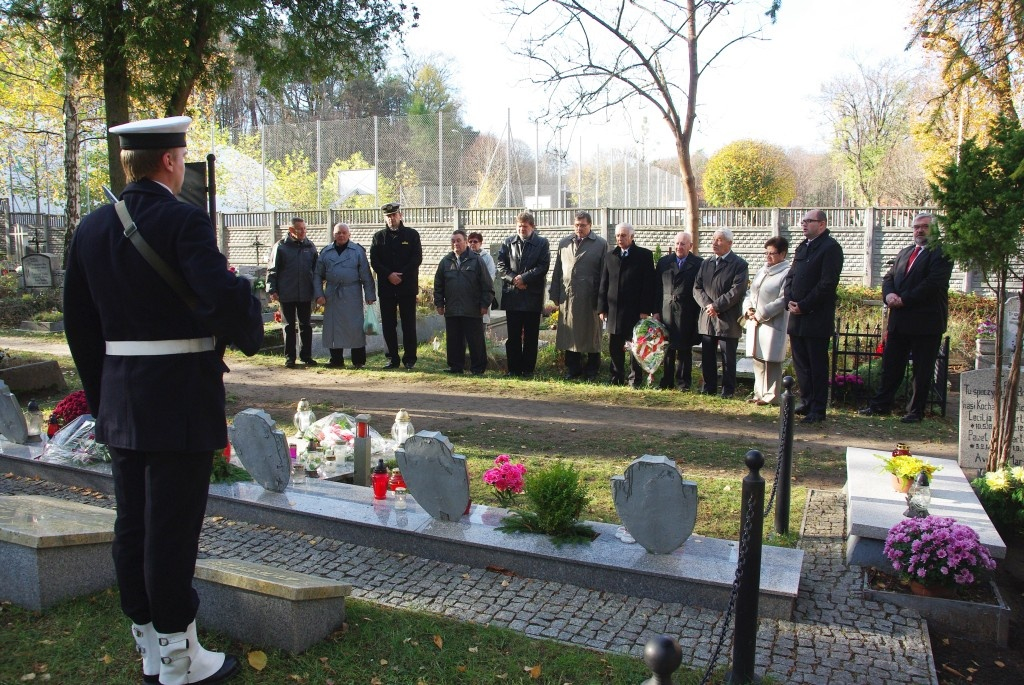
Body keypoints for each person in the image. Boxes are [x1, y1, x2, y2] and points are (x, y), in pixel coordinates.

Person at [64, 116, 261, 685]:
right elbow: (219, 294)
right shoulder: (183, 221)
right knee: (172, 527)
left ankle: (150, 645)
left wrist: (105, 399)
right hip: (179, 395)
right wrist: (247, 303)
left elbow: (79, 326)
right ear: (171, 162)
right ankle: (180, 657)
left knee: (134, 524)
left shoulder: (92, 228)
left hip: (123, 399)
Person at [860, 213, 953, 423]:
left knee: (922, 370)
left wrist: (904, 299)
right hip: (899, 320)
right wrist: (889, 295)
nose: (919, 231)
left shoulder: (941, 253)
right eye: (916, 227)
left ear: (935, 230)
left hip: (925, 322)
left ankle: (915, 411)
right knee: (891, 366)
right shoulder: (905, 252)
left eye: (925, 227)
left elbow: (932, 284)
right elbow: (889, 277)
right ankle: (881, 405)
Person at [785, 209, 844, 424]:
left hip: (815, 317)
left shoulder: (830, 248)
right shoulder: (802, 247)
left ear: (822, 224)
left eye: (809, 221)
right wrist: (789, 301)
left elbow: (827, 284)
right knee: (801, 365)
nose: (804, 224)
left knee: (817, 365)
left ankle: (818, 408)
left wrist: (804, 305)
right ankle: (807, 401)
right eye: (803, 221)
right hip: (797, 316)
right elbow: (791, 277)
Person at [549, 211, 608, 381]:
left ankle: (592, 370)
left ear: (590, 225)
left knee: (591, 335)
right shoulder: (564, 243)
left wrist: (602, 299)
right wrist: (554, 293)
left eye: (582, 225)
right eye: (576, 225)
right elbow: (558, 270)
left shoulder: (600, 244)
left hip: (590, 297)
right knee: (570, 334)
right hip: (568, 296)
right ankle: (573, 369)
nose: (579, 228)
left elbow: (605, 273)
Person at [598, 223, 657, 388]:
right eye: (617, 236)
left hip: (635, 311)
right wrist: (602, 307)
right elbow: (604, 282)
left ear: (632, 237)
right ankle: (616, 376)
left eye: (623, 235)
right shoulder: (611, 256)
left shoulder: (644, 255)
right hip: (614, 310)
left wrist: (645, 309)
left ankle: (634, 379)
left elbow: (648, 285)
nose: (619, 239)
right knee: (615, 346)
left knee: (634, 346)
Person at [693, 229, 748, 398]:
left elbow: (736, 291)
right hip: (708, 317)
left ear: (730, 243)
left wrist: (716, 306)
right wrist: (707, 305)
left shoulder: (739, 264)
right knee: (708, 355)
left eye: (719, 240)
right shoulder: (706, 262)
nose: (715, 243)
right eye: (713, 239)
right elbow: (697, 287)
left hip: (727, 318)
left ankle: (727, 390)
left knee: (728, 358)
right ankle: (709, 388)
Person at [495, 212, 551, 377]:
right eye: (519, 226)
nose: (521, 229)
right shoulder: (508, 242)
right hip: (513, 296)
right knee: (513, 336)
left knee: (531, 337)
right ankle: (513, 369)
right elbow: (501, 265)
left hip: (532, 295)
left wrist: (525, 278)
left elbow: (543, 266)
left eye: (525, 226)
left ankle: (527, 370)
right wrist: (514, 280)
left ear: (532, 227)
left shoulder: (542, 243)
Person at [314, 223, 376, 369]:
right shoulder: (326, 252)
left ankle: (358, 361)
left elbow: (366, 275)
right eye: (338, 233)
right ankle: (336, 359)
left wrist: (370, 294)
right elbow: (317, 275)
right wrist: (319, 295)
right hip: (332, 294)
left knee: (355, 327)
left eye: (343, 233)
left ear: (349, 234)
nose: (341, 235)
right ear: (333, 235)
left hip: (352, 293)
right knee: (333, 327)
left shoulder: (357, 251)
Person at [370, 202, 423, 370]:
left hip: (406, 286)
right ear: (384, 218)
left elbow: (416, 258)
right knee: (388, 324)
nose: (391, 219)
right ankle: (392, 358)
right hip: (387, 287)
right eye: (388, 216)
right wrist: (388, 275)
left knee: (408, 323)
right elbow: (375, 261)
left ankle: (409, 359)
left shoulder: (412, 235)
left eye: (394, 215)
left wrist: (401, 275)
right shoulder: (378, 237)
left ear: (400, 215)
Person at [433, 229, 494, 375]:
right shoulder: (445, 262)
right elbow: (438, 284)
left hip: (472, 309)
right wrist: (439, 304)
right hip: (453, 309)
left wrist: (485, 304)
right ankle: (455, 367)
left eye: (458, 240)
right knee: (454, 340)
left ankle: (478, 368)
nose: (456, 243)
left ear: (466, 242)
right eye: (453, 241)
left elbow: (487, 285)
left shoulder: (477, 260)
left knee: (476, 341)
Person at [743, 236, 791, 405]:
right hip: (755, 322)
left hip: (772, 322)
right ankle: (758, 393)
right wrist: (748, 309)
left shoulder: (787, 272)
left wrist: (761, 313)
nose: (768, 257)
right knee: (758, 359)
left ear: (783, 254)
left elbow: (783, 299)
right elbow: (751, 292)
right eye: (767, 253)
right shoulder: (763, 270)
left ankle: (771, 396)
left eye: (773, 253)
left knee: (771, 360)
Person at [267, 217, 318, 368]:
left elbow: (316, 270)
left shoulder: (310, 246)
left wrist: (317, 291)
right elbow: (272, 269)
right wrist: (272, 289)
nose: (303, 232)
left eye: (304, 229)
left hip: (305, 293)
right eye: (299, 229)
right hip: (286, 292)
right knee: (288, 326)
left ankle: (306, 356)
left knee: (306, 325)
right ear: (291, 230)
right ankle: (290, 357)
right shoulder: (281, 247)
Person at [654, 231, 702, 390]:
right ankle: (666, 381)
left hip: (686, 310)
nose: (679, 247)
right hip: (666, 310)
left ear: (690, 246)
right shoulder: (664, 262)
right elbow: (656, 288)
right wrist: (655, 311)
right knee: (667, 347)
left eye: (683, 244)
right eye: (677, 243)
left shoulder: (698, 263)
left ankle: (683, 383)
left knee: (684, 348)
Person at [468, 231, 496, 323]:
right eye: (470, 241)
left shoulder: (487, 258)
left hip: (482, 296)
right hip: (467, 298)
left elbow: (490, 278)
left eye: (475, 241)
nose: (472, 244)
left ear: (480, 243)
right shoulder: (464, 257)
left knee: (480, 328)